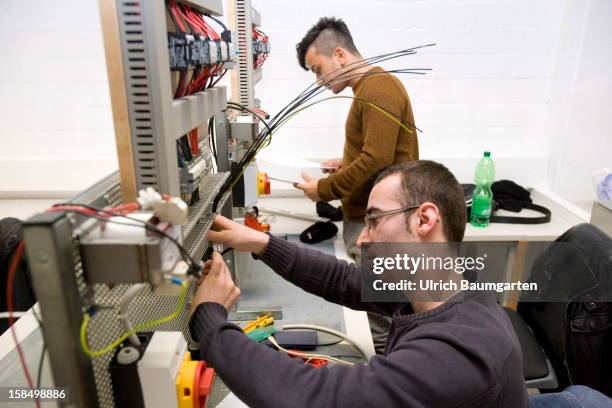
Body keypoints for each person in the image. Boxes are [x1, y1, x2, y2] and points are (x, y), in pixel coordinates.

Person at [190, 160, 528, 407]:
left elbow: (308, 398)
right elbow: (345, 280)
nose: (364, 240)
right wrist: (262, 243)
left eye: (374, 220)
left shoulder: (455, 353)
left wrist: (209, 318)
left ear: (424, 219)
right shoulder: (450, 283)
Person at [292, 17, 419, 353]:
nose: (318, 81)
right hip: (370, 221)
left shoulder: (379, 88)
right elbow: (378, 153)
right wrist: (345, 163)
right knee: (381, 312)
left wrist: (324, 189)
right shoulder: (369, 89)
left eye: (318, 69)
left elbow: (376, 161)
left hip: (377, 224)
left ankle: (390, 386)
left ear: (340, 55)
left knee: (381, 319)